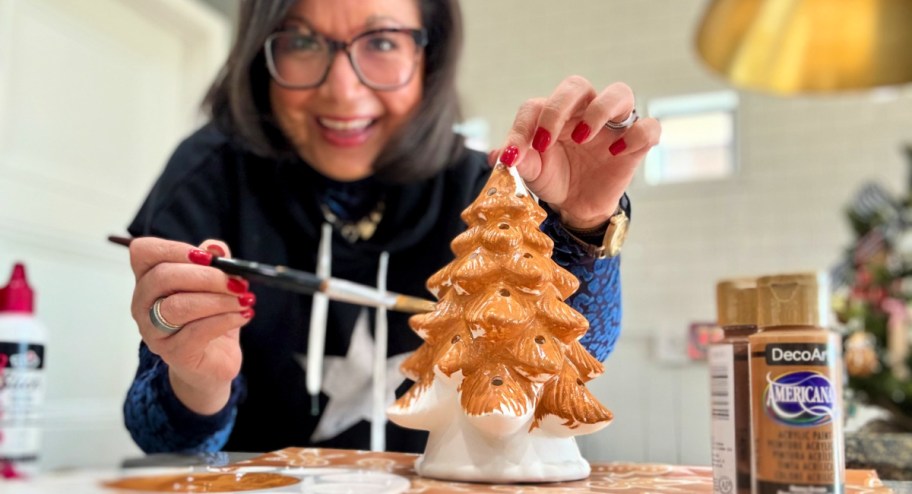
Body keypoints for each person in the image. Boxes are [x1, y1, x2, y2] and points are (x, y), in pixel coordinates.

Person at [122, 0, 660, 455]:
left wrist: (583, 228)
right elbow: (162, 443)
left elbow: (566, 380)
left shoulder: (488, 189)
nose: (342, 91)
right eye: (302, 43)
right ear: (261, 54)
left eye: (381, 43)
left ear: (430, 54)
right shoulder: (206, 177)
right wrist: (198, 383)